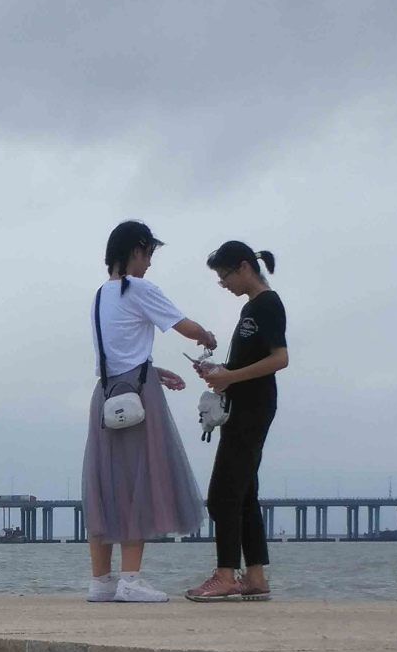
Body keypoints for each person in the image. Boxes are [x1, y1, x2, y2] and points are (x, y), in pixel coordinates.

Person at [82, 220, 215, 603]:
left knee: (104, 483)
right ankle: (131, 579)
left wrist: (153, 368)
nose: (150, 264)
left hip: (106, 393)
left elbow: (115, 352)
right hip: (139, 395)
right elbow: (183, 326)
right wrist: (207, 336)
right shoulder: (139, 288)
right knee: (139, 480)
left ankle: (100, 581)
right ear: (136, 250)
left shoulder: (100, 295)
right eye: (149, 254)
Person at [187, 242, 288, 602]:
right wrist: (220, 372)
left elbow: (280, 359)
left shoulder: (268, 304)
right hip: (241, 405)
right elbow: (250, 362)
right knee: (244, 493)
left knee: (222, 494)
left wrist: (231, 377)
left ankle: (226, 575)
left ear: (243, 267)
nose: (223, 283)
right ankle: (256, 576)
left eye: (224, 275)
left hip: (254, 408)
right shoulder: (252, 307)